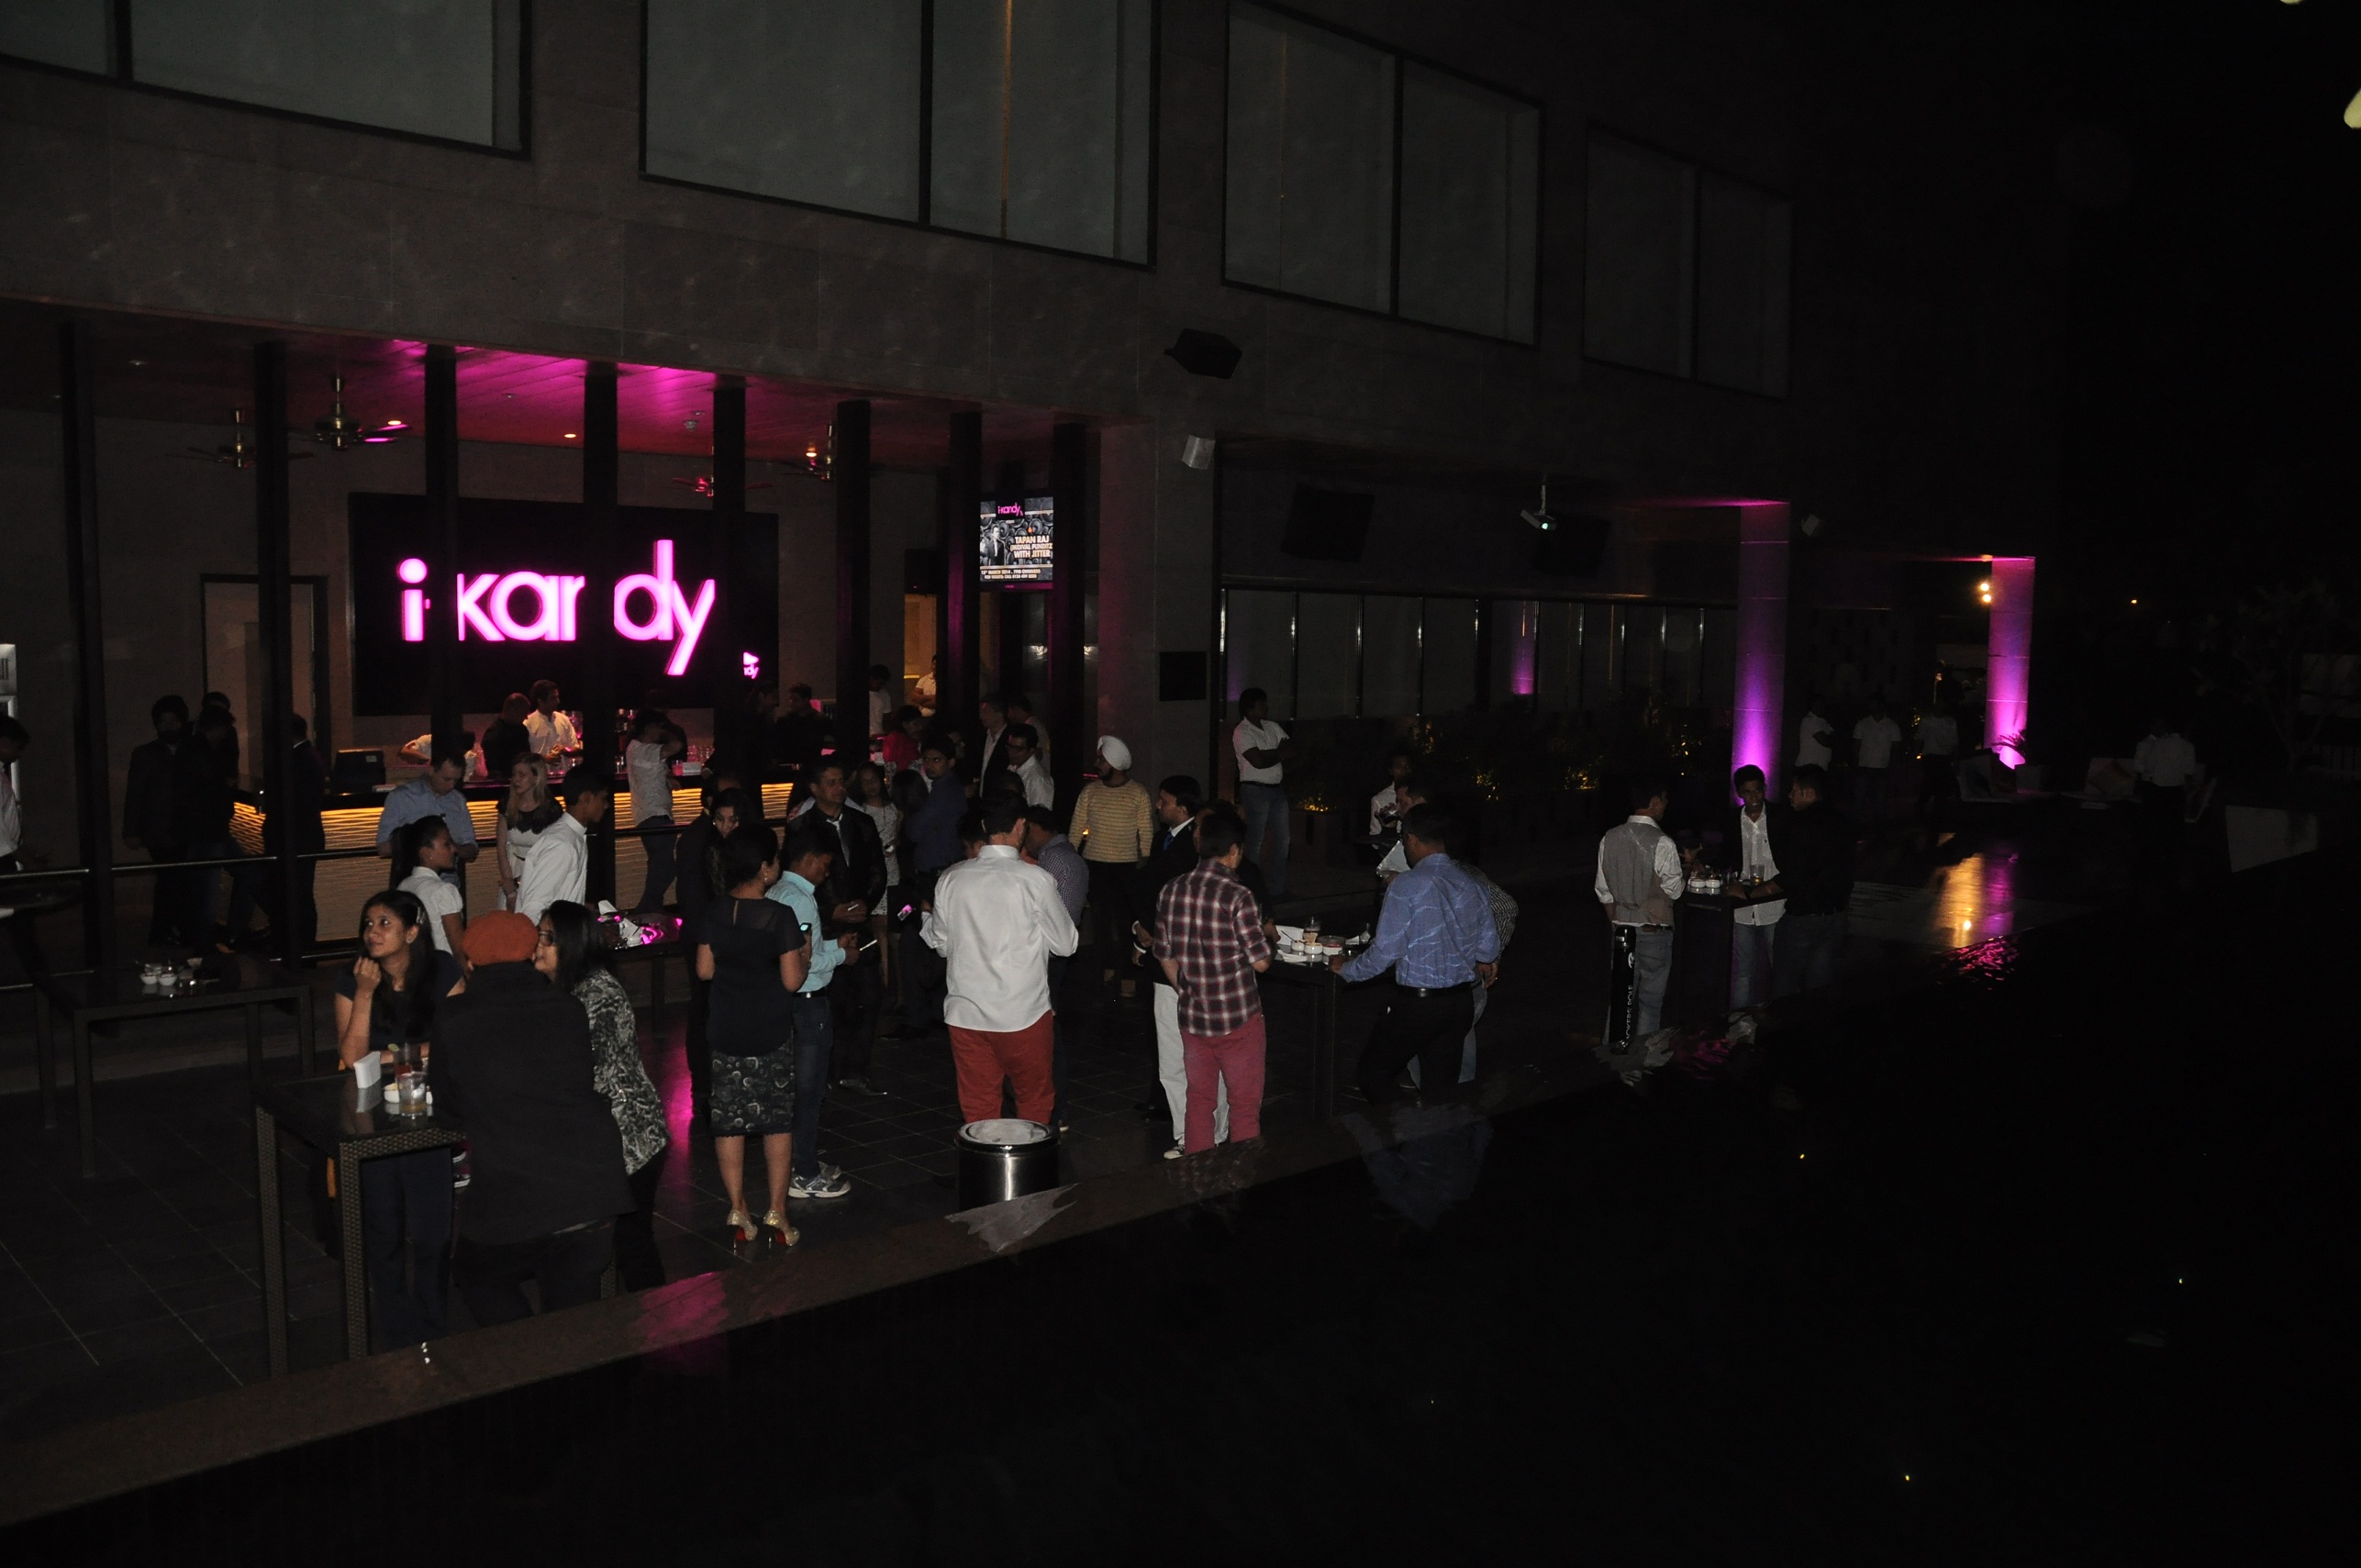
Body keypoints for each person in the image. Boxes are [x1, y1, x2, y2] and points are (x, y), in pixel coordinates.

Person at [434, 911, 634, 1326]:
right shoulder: (567, 1007)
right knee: (572, 1322)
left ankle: (525, 1348)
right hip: (592, 1185)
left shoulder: (454, 1017)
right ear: (529, 955)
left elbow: (448, 1113)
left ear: (469, 962)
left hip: (516, 1189)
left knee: (476, 1275)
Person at [331, 889, 462, 1348]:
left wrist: (391, 1055)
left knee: (433, 1232)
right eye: (368, 923)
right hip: (371, 1113)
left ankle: (433, 1325)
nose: (373, 932)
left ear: (411, 932)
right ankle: (395, 1331)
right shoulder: (354, 978)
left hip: (429, 1111)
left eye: (385, 923)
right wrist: (366, 994)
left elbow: (457, 1039)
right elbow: (352, 1057)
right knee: (383, 1229)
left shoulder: (442, 970)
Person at [536, 901, 667, 1292]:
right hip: (604, 1138)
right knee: (609, 1246)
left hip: (631, 1138)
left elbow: (591, 1069)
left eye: (548, 938)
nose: (538, 945)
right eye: (539, 935)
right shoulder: (564, 988)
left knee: (633, 1245)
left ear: (572, 944)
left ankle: (659, 1318)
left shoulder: (600, 994)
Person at [923, 794, 1077, 1124]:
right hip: (1022, 1012)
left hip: (967, 1013)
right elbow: (1066, 945)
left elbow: (942, 945)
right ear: (1021, 826)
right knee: (1034, 1102)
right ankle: (1027, 1159)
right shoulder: (1035, 880)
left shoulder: (951, 878)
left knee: (978, 1108)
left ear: (983, 826)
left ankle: (987, 1158)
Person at [1337, 802, 1499, 1106]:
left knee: (1373, 1073)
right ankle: (1432, 1133)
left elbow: (1386, 951)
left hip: (1419, 1003)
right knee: (1440, 1090)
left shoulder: (1407, 885)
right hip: (1459, 1002)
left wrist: (1347, 969)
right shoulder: (1472, 884)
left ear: (1410, 840)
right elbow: (1488, 948)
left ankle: (1406, 1125)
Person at [694, 823, 808, 1245]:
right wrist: (804, 954)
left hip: (725, 1027)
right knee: (777, 1122)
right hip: (770, 1029)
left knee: (730, 1123)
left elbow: (704, 970)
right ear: (764, 868)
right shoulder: (780, 917)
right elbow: (792, 981)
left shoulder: (715, 911)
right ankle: (777, 1211)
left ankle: (738, 1208)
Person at [1153, 806, 1274, 1155]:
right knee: (1244, 1106)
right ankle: (1243, 1177)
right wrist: (1269, 939)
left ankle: (1199, 1176)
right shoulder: (1238, 896)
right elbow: (1261, 963)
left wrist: (1186, 989)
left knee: (1198, 1101)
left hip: (1194, 1018)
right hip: (1238, 1020)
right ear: (1234, 850)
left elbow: (1164, 953)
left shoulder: (1171, 890)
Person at [766, 821, 859, 1200]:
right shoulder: (801, 899)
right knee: (809, 1090)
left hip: (786, 1002)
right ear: (809, 859)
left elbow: (800, 949)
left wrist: (834, 945)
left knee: (796, 1089)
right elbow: (804, 961)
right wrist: (842, 955)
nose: (827, 872)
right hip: (808, 1004)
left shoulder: (776, 891)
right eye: (825, 864)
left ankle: (800, 1159)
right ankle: (804, 1172)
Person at [787, 759, 888, 1099]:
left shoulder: (862, 822)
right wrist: (831, 911)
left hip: (860, 922)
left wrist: (864, 904)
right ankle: (829, 1072)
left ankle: (856, 1070)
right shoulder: (803, 826)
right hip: (826, 925)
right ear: (814, 788)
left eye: (841, 781)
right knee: (836, 1001)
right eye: (830, 782)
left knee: (869, 997)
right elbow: (797, 877)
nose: (839, 788)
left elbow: (877, 870)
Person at [1128, 775, 1213, 1151]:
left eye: (1164, 800)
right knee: (1163, 1037)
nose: (1158, 806)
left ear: (1182, 805)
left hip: (1178, 953)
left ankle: (1194, 1125)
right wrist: (1140, 931)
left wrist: (1150, 932)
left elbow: (1164, 895)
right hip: (1157, 941)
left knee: (1182, 1042)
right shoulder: (1166, 839)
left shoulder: (1190, 849)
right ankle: (1166, 1103)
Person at [676, 780, 755, 1127]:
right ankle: (708, 1087)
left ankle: (712, 1086)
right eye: (720, 819)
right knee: (707, 1010)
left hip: (716, 939)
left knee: (712, 1010)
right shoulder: (710, 848)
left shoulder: (735, 848)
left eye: (732, 820)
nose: (725, 826)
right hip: (712, 940)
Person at [1594, 777, 1686, 1057]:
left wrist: (1618, 921)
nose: (1666, 805)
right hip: (1654, 930)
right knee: (1650, 1003)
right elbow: (1675, 890)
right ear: (1654, 802)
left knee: (1619, 1001)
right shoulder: (1662, 842)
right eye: (1664, 800)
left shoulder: (1610, 837)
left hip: (1622, 928)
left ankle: (1611, 1058)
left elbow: (1603, 891)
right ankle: (1643, 1060)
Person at [1067, 735, 1155, 988]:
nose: (1097, 765)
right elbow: (1076, 828)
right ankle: (1105, 970)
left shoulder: (1137, 793)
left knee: (1127, 923)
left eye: (1101, 760)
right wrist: (1071, 857)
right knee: (1101, 923)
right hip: (1094, 865)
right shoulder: (1090, 791)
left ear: (1115, 763)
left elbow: (1146, 831)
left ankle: (1127, 974)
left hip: (1126, 867)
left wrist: (1146, 863)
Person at [1022, 804, 1088, 1129]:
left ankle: (1053, 1106)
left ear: (1036, 828)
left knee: (1044, 1031)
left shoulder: (1051, 859)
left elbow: (1044, 916)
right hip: (1060, 953)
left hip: (1049, 954)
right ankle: (1055, 1107)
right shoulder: (1069, 856)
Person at [1770, 763, 1854, 998]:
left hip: (1803, 916)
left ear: (1808, 793)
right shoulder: (1843, 822)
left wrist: (1758, 890)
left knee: (1785, 987)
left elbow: (1794, 873)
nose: (1790, 796)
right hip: (1835, 915)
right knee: (1820, 990)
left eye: (1794, 790)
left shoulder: (1800, 824)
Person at [124, 695, 195, 944]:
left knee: (176, 881)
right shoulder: (145, 754)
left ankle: (170, 930)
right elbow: (135, 794)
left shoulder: (191, 751)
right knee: (170, 881)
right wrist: (131, 831)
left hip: (187, 828)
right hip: (159, 830)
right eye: (163, 722)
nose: (168, 726)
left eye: (173, 721)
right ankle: (167, 931)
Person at [1719, 764, 1787, 1010]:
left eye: (1757, 790)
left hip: (1775, 903)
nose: (1754, 796)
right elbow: (1726, 856)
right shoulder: (1732, 819)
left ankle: (1782, 1014)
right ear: (1739, 793)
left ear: (1764, 788)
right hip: (1743, 905)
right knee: (1743, 972)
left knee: (1780, 967)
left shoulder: (1779, 816)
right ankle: (1740, 1021)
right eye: (1748, 792)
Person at [374, 738, 480, 888]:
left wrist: (452, 848)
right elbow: (383, 847)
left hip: (448, 885)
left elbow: (472, 848)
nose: (451, 786)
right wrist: (421, 845)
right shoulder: (401, 797)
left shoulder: (457, 800)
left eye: (456, 780)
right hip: (411, 885)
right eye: (446, 779)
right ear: (431, 770)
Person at [515, 765, 609, 923]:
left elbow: (561, 899)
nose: (606, 805)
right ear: (586, 798)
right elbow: (533, 910)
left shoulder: (570, 836)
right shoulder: (562, 844)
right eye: (603, 798)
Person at [850, 761, 902, 1017]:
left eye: (873, 780)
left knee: (893, 925)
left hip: (894, 869)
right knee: (880, 927)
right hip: (877, 871)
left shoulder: (893, 807)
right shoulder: (862, 812)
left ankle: (893, 983)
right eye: (864, 782)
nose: (870, 786)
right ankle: (886, 983)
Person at [1232, 688, 1293, 899]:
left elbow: (1292, 749)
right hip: (1255, 790)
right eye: (1262, 703)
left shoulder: (1272, 726)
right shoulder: (1242, 731)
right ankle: (1253, 890)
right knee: (1255, 842)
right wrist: (1279, 753)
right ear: (1250, 707)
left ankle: (1277, 889)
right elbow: (1257, 761)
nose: (1266, 707)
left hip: (1276, 788)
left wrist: (1271, 755)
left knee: (1283, 840)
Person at [276, 715, 329, 951]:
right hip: (306, 836)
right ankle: (303, 948)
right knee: (301, 894)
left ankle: (302, 948)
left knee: (299, 895)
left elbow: (297, 802)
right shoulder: (308, 756)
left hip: (300, 837)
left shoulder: (300, 759)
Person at [626, 709, 687, 913]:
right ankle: (646, 909)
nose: (661, 731)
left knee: (660, 866)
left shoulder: (638, 749)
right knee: (665, 867)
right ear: (650, 727)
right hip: (654, 814)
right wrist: (668, 731)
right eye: (659, 727)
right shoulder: (643, 749)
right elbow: (677, 745)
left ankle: (651, 911)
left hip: (649, 814)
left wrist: (667, 778)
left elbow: (651, 772)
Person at [495, 752, 561, 912]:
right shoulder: (507, 804)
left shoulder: (551, 809)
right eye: (514, 775)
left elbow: (555, 854)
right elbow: (501, 850)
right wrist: (511, 892)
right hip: (512, 874)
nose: (516, 780)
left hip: (541, 876)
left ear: (536, 778)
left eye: (522, 775)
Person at [392, 817, 467, 956]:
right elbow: (458, 947)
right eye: (446, 844)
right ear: (426, 853)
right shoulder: (444, 890)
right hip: (443, 965)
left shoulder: (404, 885)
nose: (453, 849)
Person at [907, 735, 966, 876]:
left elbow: (915, 831)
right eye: (926, 759)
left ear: (950, 762)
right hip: (942, 864)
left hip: (939, 867)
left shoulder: (945, 791)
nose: (929, 765)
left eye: (936, 760)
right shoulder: (945, 787)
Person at [1852, 696, 1902, 823]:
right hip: (1864, 766)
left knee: (1880, 800)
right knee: (1859, 798)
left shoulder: (1892, 726)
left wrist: (1892, 765)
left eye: (1875, 704)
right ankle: (1855, 825)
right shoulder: (1862, 724)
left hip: (1882, 768)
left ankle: (1879, 827)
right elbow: (1856, 746)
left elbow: (1895, 748)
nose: (1873, 707)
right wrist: (1855, 765)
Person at [1914, 700, 1961, 823]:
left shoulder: (1950, 722)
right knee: (1929, 785)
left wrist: (1955, 760)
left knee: (1941, 787)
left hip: (1944, 757)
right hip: (1930, 757)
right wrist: (1916, 756)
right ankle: (1921, 810)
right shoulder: (1927, 721)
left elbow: (1954, 742)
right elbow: (1920, 739)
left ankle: (1938, 813)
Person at [480, 692, 535, 783]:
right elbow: (494, 768)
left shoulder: (522, 730)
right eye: (523, 713)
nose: (526, 717)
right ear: (513, 710)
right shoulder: (494, 733)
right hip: (504, 782)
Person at [1002, 722, 1053, 809]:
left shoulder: (1038, 780)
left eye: (1018, 749)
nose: (1011, 752)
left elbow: (1039, 814)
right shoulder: (1012, 767)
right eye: (1010, 746)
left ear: (1031, 751)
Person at [1370, 743, 1418, 837]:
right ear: (1390, 770)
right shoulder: (1379, 799)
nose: (1403, 771)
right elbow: (1375, 836)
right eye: (1398, 767)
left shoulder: (1420, 793)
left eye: (1407, 767)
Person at [525, 679, 579, 762]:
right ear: (540, 701)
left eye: (557, 697)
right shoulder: (528, 723)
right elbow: (525, 756)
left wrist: (565, 751)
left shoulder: (564, 719)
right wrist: (545, 759)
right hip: (540, 770)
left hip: (564, 769)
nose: (558, 701)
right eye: (553, 698)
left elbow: (575, 747)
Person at [974, 692, 1011, 793]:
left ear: (999, 714)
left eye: (986, 712)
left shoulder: (1011, 739)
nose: (981, 716)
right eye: (981, 712)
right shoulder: (981, 738)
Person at [881, 706, 924, 774]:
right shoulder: (894, 741)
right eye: (916, 724)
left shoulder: (916, 739)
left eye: (921, 723)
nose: (920, 727)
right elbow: (892, 770)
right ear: (905, 725)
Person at [1796, 700, 1836, 771]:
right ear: (1813, 706)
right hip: (1809, 765)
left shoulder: (1823, 721)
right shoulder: (1809, 720)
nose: (1822, 707)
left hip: (1821, 766)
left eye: (1823, 705)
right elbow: (1824, 741)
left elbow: (1834, 736)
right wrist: (1832, 738)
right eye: (1819, 705)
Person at [867, 663, 895, 741]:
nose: (881, 686)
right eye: (879, 683)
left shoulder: (884, 695)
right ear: (871, 679)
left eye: (883, 684)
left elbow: (887, 718)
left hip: (879, 735)